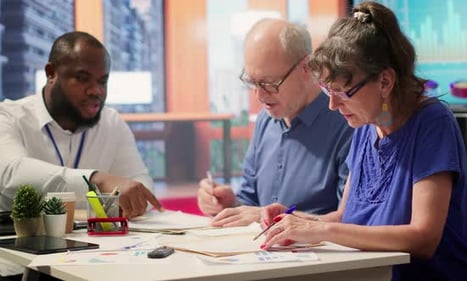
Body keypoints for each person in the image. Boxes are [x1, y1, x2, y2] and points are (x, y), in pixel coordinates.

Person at [259, 2, 467, 281]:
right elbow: (345, 219)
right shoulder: (366, 124)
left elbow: (423, 238)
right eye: (327, 90)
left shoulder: (433, 122)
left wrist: (320, 230)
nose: (333, 105)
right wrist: (296, 222)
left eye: (343, 92)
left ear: (385, 81)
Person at [197, 19, 353, 227]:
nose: (259, 95)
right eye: (252, 82)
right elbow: (250, 201)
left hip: (318, 254)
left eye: (270, 83)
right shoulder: (266, 119)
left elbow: (349, 219)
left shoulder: (346, 122)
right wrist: (230, 204)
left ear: (307, 67)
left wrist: (268, 217)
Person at [0, 31, 163, 219]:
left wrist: (125, 202)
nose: (96, 91)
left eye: (102, 81)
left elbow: (138, 182)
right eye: (82, 78)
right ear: (51, 73)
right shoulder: (8, 116)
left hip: (96, 245)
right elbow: (12, 176)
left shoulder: (111, 123)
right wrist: (96, 181)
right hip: (16, 242)